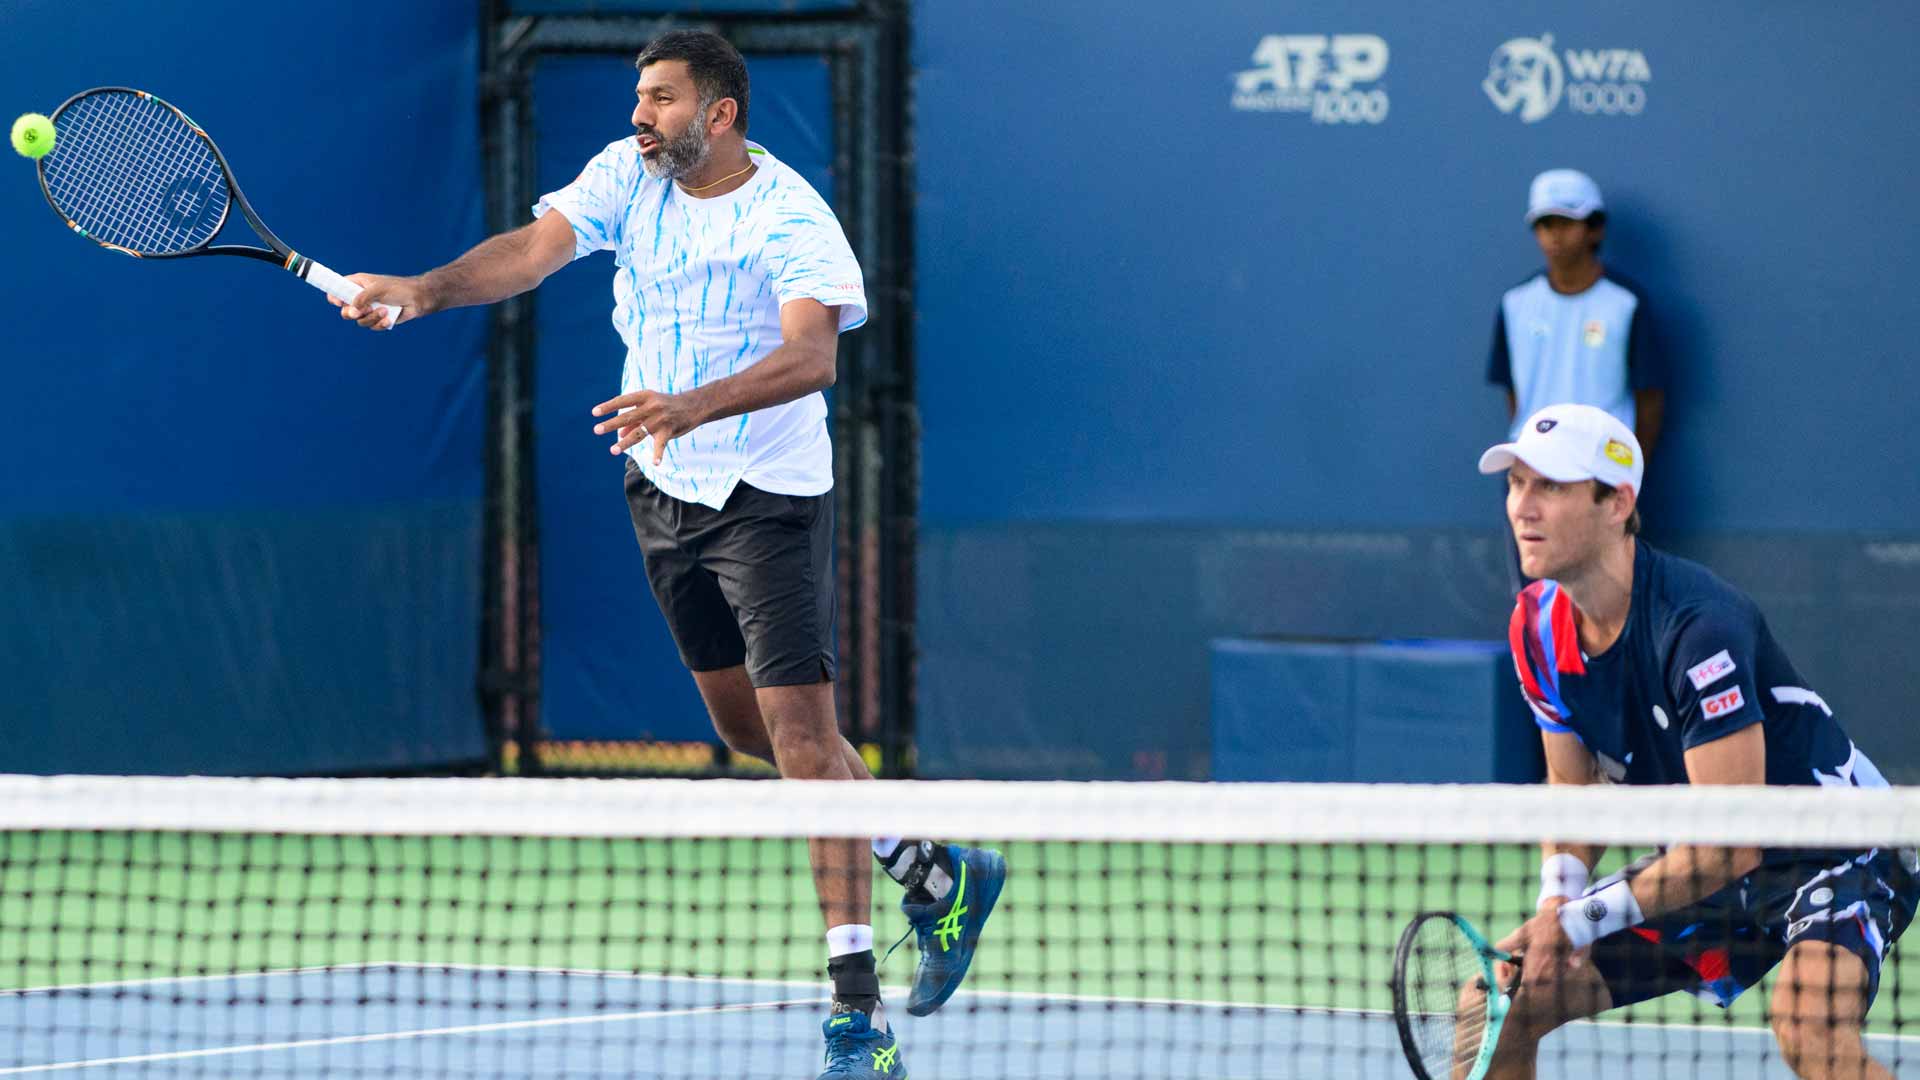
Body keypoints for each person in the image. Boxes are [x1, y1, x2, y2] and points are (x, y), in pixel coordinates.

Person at [329, 29, 1003, 1079]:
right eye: (639, 98)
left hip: (769, 498)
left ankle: (856, 1019)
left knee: (801, 737)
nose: (640, 115)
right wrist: (422, 290)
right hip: (664, 488)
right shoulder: (623, 177)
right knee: (750, 732)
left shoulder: (790, 216)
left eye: (661, 99)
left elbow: (812, 354)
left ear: (720, 113)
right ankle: (935, 870)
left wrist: (690, 405)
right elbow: (530, 248)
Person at [1474, 403, 1914, 1080]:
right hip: (1708, 871)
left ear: (1617, 502)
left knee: (1808, 1027)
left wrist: (1580, 924)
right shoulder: (1536, 627)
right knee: (1497, 1001)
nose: (1522, 507)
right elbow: (1573, 786)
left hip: (1833, 850)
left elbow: (1731, 842)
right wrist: (1557, 900)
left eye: (1551, 487)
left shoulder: (1696, 628)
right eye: (1516, 484)